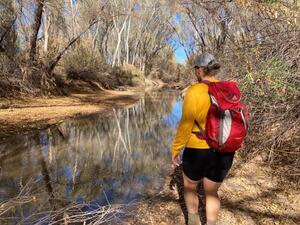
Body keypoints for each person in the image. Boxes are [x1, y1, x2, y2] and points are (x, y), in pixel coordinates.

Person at [171, 52, 235, 225]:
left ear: (199, 70)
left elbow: (186, 125)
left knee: (190, 187)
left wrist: (176, 149)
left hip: (198, 150)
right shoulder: (228, 89)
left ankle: (193, 222)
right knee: (212, 193)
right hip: (224, 150)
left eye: (195, 68)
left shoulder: (194, 91)